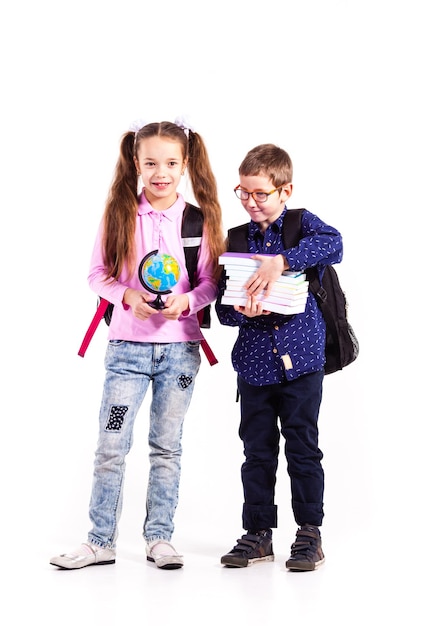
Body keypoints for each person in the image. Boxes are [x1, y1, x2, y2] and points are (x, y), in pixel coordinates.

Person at [50, 119, 224, 570]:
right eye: (150, 162)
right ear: (136, 163)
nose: (160, 172)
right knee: (111, 443)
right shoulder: (120, 213)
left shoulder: (197, 220)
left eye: (170, 162)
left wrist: (185, 301)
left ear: (184, 165)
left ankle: (160, 537)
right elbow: (96, 275)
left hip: (181, 351)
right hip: (126, 350)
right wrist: (127, 295)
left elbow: (210, 284)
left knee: (167, 446)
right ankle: (100, 540)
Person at [215, 143, 343, 571]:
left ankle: (310, 533)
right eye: (243, 192)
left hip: (303, 362)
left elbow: (334, 243)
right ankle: (258, 534)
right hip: (253, 365)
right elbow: (223, 309)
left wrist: (280, 262)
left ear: (285, 190)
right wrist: (242, 310)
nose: (251, 201)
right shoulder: (235, 238)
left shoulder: (303, 225)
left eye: (260, 193)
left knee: (303, 448)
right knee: (257, 451)